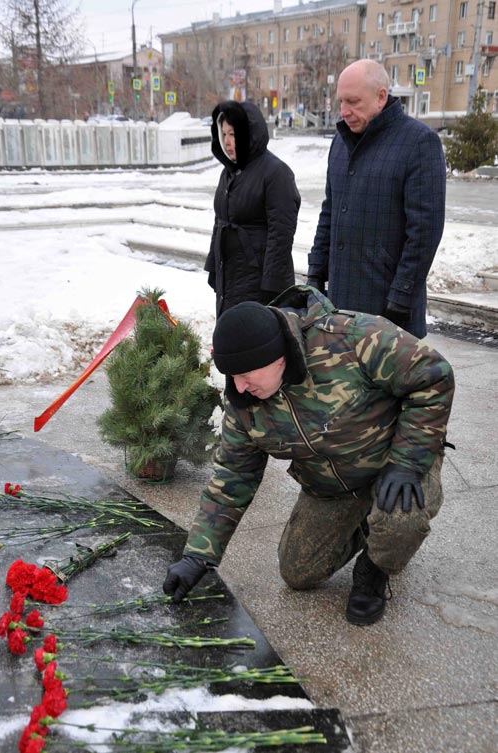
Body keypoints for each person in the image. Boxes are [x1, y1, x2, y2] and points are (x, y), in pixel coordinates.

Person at [163, 285, 455, 626]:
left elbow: (434, 378)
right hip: (332, 486)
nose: (239, 387)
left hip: (395, 464)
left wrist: (408, 462)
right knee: (298, 573)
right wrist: (198, 556)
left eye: (245, 374)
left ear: (277, 356)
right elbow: (233, 477)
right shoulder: (246, 404)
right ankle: (365, 525)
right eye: (233, 377)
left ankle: (375, 570)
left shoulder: (355, 338)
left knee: (401, 518)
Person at [307, 59, 446, 339]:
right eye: (341, 102)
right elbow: (330, 213)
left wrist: (401, 298)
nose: (344, 111)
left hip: (390, 314)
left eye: (354, 102)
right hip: (340, 310)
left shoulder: (419, 143)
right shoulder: (341, 142)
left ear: (381, 97)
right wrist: (315, 273)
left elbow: (424, 232)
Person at [206, 100, 301, 317]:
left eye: (233, 134)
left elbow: (281, 234)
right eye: (224, 134)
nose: (228, 142)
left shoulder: (276, 172)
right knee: (231, 339)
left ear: (249, 133)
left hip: (259, 283)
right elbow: (219, 221)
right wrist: (213, 266)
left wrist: (271, 287)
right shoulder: (229, 172)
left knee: (252, 343)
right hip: (230, 278)